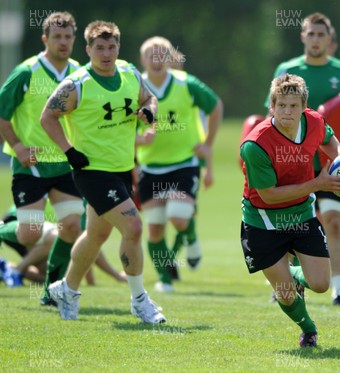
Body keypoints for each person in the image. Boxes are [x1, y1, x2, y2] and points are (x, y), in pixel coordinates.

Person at [40, 20, 165, 323]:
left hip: (123, 169)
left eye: (111, 47)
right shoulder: (76, 84)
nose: (106, 53)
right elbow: (48, 117)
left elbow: (150, 97)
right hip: (91, 171)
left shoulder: (129, 73)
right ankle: (139, 300)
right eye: (100, 47)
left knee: (96, 234)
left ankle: (67, 290)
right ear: (88, 49)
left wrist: (149, 110)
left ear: (118, 47)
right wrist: (69, 151)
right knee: (133, 228)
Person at [241, 74, 340, 347]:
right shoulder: (256, 145)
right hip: (262, 221)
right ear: (272, 105)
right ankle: (308, 328)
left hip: (301, 216)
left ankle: (296, 275)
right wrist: (318, 183)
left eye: (293, 105)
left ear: (304, 106)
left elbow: (329, 137)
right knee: (286, 293)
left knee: (322, 284)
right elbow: (269, 195)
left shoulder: (313, 121)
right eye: (281, 105)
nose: (287, 111)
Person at [266, 12, 340, 306]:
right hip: (294, 166)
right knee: (292, 227)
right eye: (311, 34)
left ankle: (339, 289)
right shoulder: (287, 70)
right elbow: (272, 113)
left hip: (333, 166)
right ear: (302, 37)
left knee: (333, 222)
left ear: (329, 39)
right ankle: (289, 279)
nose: (316, 39)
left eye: (321, 34)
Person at [0, 11, 85, 304]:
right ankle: (2, 228)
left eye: (68, 37)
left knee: (72, 228)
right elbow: (2, 115)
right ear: (45, 38)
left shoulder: (80, 73)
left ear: (75, 39)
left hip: (66, 164)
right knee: (29, 234)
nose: (63, 42)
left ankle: (51, 291)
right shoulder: (26, 72)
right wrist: (18, 146)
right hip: (31, 165)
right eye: (57, 36)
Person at [136, 36, 223, 292]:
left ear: (169, 58)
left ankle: (192, 238)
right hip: (150, 167)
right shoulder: (134, 85)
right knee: (154, 229)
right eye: (151, 54)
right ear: (142, 59)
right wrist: (138, 140)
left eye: (162, 53)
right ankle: (164, 279)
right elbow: (122, 124)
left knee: (178, 216)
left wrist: (207, 144)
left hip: (183, 163)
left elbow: (215, 106)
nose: (156, 58)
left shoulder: (186, 84)